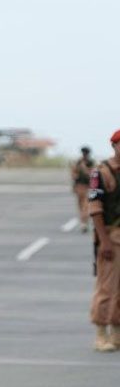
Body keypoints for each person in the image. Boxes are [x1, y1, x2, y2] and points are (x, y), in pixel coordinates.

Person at [88, 129, 120, 352]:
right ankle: (101, 333)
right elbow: (95, 209)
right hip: (111, 236)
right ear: (114, 146)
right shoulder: (101, 172)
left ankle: (116, 333)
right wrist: (104, 241)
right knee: (107, 287)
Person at [72, 146, 96, 233]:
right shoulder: (78, 162)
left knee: (85, 205)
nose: (85, 155)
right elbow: (74, 175)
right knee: (80, 205)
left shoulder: (90, 162)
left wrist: (84, 168)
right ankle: (84, 222)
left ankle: (84, 223)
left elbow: (92, 174)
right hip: (79, 186)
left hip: (87, 186)